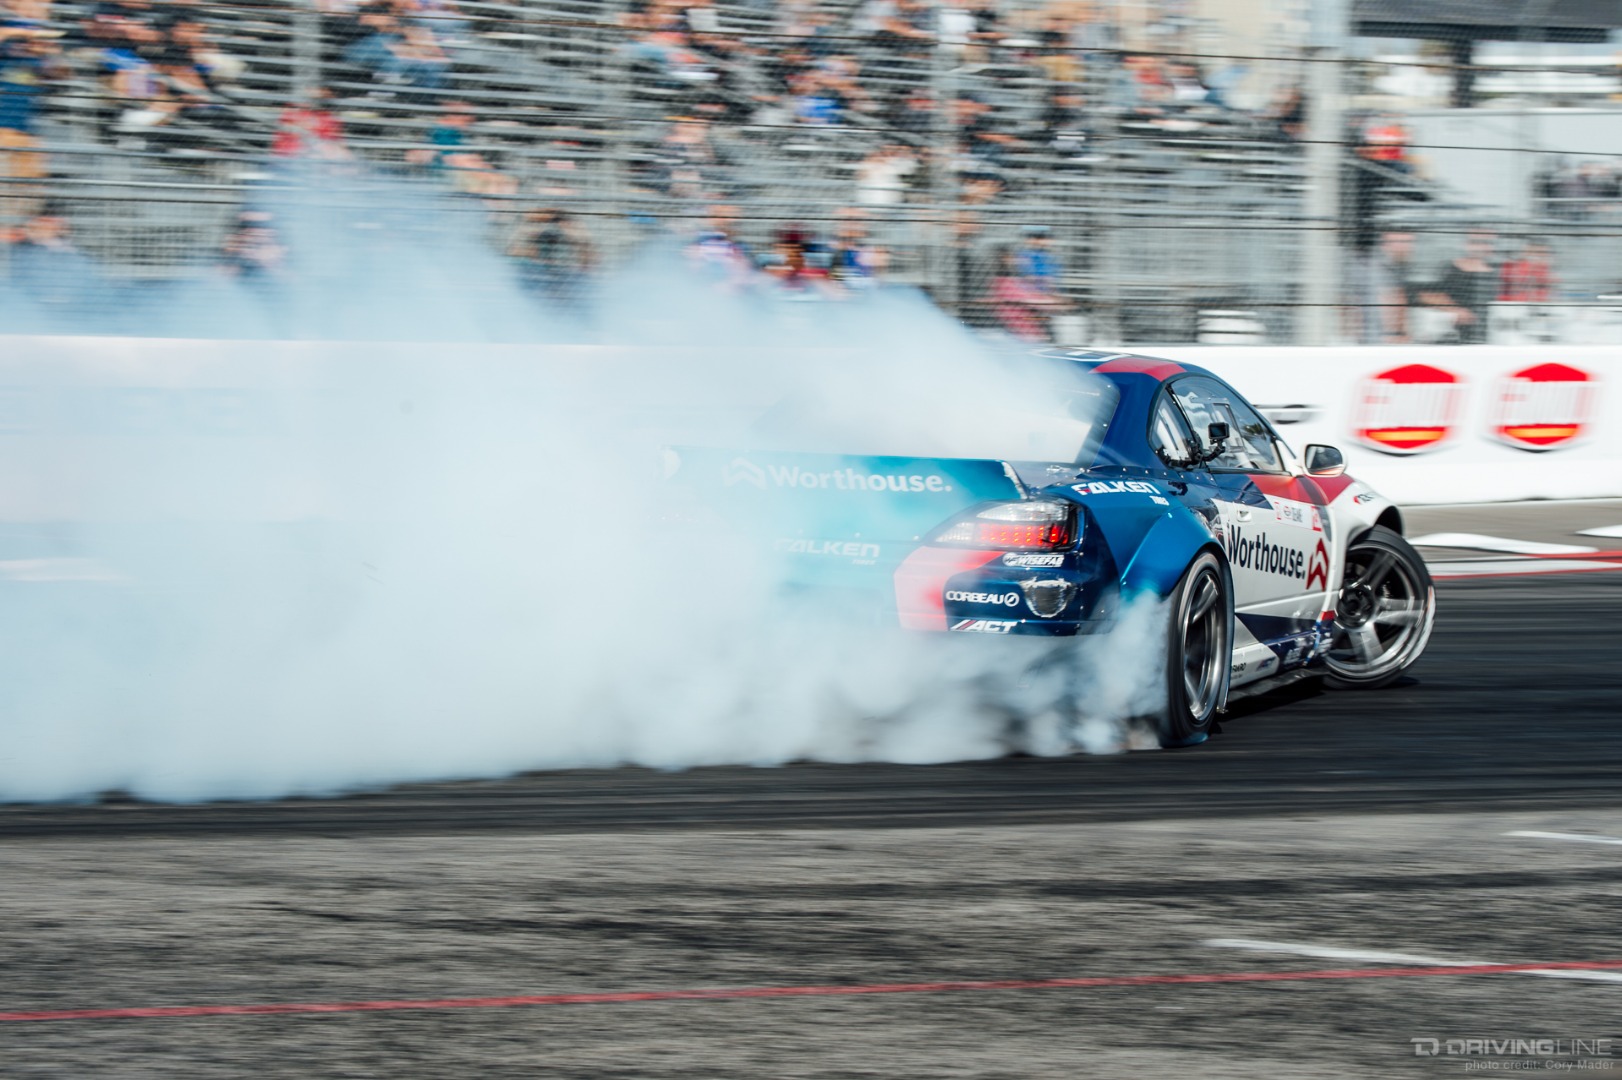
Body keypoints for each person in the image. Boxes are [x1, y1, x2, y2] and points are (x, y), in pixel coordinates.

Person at [1419, 231, 1498, 345]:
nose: (1482, 247)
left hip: (1489, 337)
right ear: (1466, 244)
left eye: (1487, 242)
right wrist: (1455, 310)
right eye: (1476, 242)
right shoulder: (1450, 268)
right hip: (1454, 336)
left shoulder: (1497, 272)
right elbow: (1427, 295)